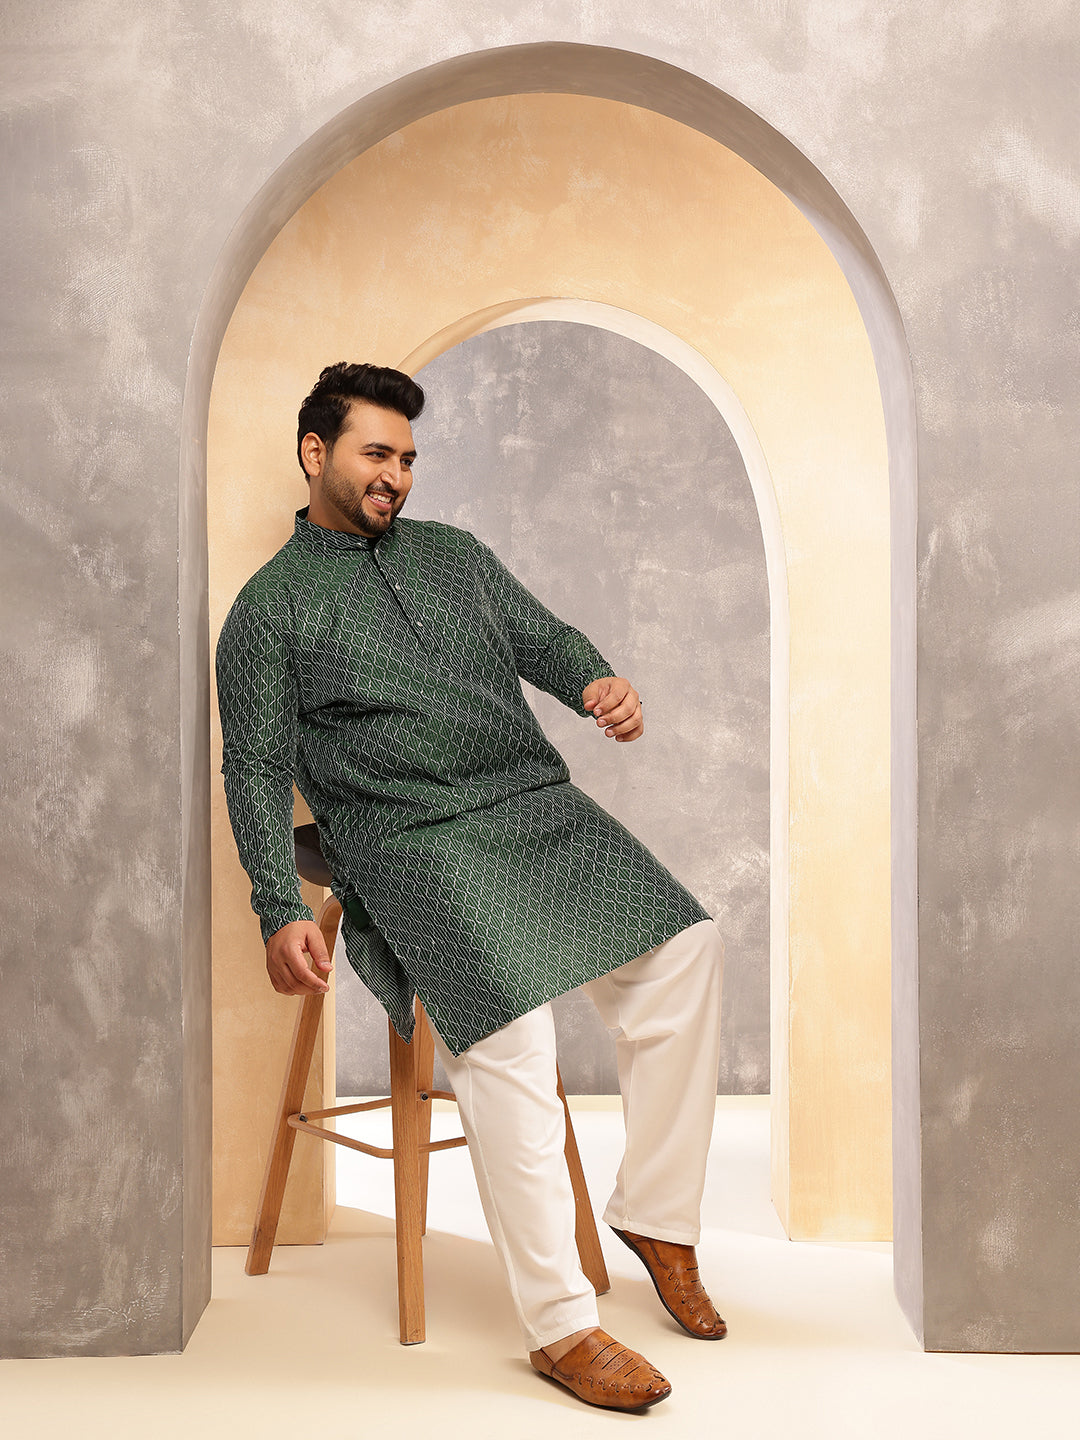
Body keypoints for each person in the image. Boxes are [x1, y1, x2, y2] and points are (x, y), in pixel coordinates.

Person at [216, 361, 727, 1411]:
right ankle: (561, 1327)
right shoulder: (268, 612)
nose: (395, 476)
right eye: (375, 453)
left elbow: (544, 638)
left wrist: (596, 680)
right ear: (315, 453)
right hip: (406, 838)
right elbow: (256, 768)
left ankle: (657, 1217)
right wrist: (277, 904)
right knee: (511, 1031)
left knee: (687, 948)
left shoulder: (454, 556)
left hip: (531, 806)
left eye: (407, 458)